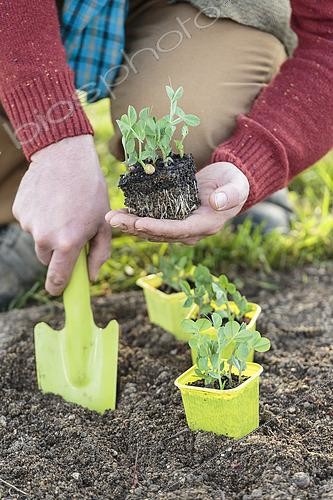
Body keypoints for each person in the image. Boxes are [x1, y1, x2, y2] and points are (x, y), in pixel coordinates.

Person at [0, 0, 332, 309]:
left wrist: (258, 156)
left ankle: (244, 138)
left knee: (182, 133)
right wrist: (54, 144)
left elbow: (327, 35)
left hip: (199, 10)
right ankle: (25, 209)